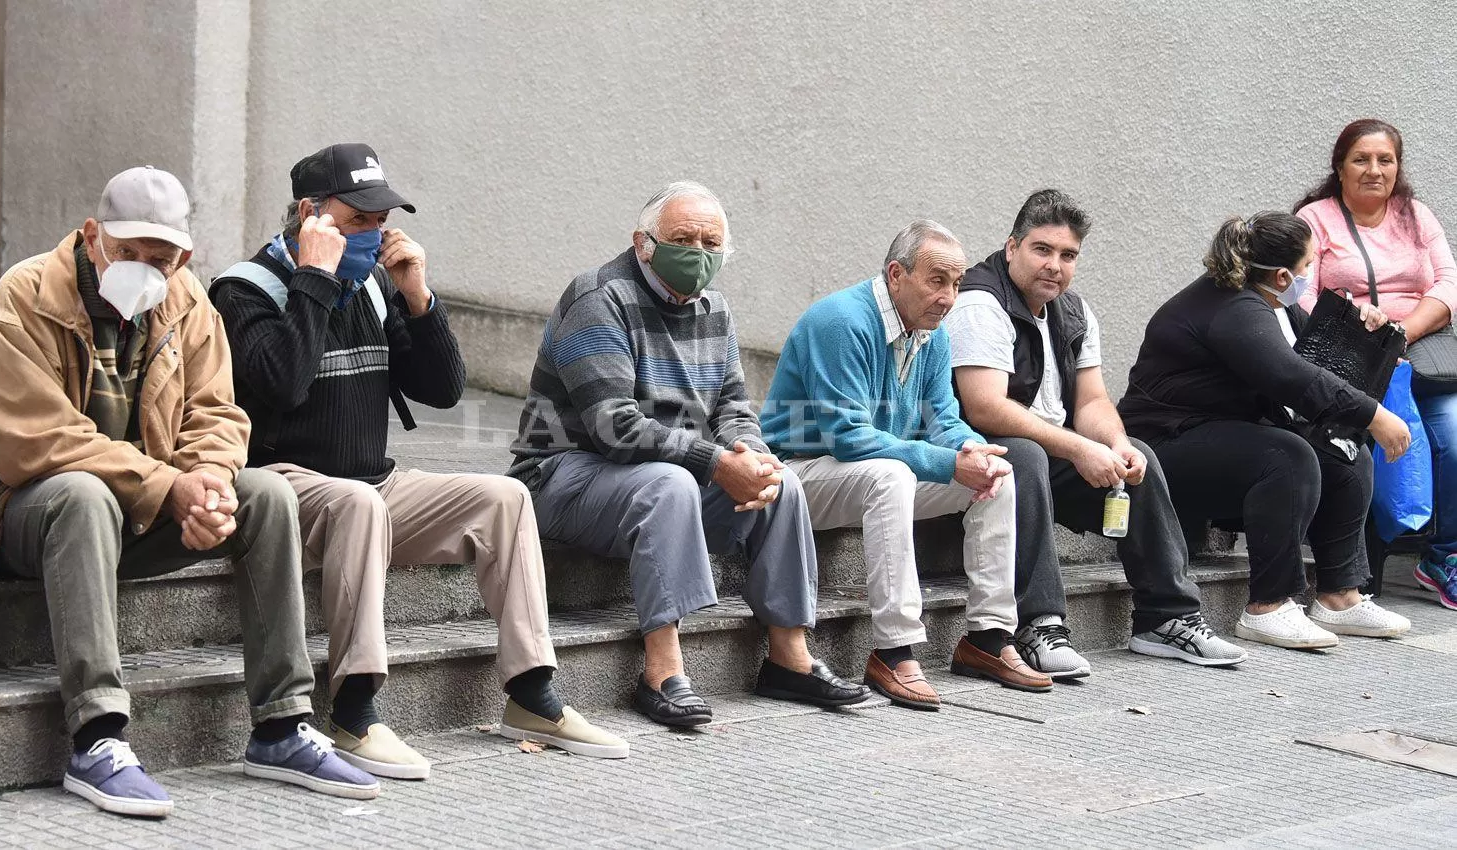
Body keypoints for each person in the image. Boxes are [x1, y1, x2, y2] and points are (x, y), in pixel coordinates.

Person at [0, 167, 377, 816]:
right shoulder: (27, 296)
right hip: (12, 518)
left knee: (264, 495)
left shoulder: (186, 301)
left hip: (131, 517)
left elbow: (217, 412)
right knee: (80, 493)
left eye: (162, 257)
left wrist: (208, 481)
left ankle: (280, 725)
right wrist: (168, 486)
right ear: (93, 234)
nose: (144, 267)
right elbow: (30, 442)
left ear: (184, 254)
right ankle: (97, 737)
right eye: (127, 252)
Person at [212, 143, 627, 774]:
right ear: (309, 215)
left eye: (380, 221)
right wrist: (314, 282)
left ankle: (532, 694)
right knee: (355, 503)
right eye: (358, 222)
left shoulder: (374, 287)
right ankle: (353, 714)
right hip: (282, 488)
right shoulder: (245, 291)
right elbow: (282, 386)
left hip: (375, 485)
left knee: (505, 497)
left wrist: (417, 297)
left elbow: (443, 391)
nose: (373, 235)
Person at [509, 181, 869, 727]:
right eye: (683, 238)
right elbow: (614, 427)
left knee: (783, 484)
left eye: (710, 242)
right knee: (670, 483)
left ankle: (789, 657)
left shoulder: (715, 310)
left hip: (653, 476)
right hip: (562, 476)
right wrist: (717, 463)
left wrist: (752, 456)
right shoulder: (596, 298)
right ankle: (662, 670)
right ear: (643, 243)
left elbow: (732, 407)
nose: (698, 254)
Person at [949, 190, 1246, 674]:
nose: (1055, 266)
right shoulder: (981, 303)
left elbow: (1091, 400)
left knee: (1138, 461)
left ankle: (1166, 619)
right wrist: (1079, 447)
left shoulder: (1074, 311)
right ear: (1011, 248)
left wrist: (1116, 444)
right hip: (979, 458)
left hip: (1050, 453)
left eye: (1068, 256)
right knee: (1023, 455)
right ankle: (1037, 625)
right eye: (1041, 250)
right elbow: (985, 408)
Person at [761, 219, 1051, 706]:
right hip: (795, 476)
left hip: (871, 476)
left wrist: (970, 451)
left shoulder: (932, 333)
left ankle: (988, 638)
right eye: (937, 280)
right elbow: (848, 437)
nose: (949, 296)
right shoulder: (842, 321)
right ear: (897, 274)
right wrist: (945, 461)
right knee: (892, 473)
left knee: (998, 474)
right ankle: (894, 650)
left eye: (956, 284)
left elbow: (944, 419)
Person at [1118, 211, 1414, 649]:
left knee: (1344, 451)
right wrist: (1374, 414)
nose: (1309, 275)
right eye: (1308, 267)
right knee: (1287, 455)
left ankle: (1339, 596)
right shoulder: (1232, 309)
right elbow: (1294, 378)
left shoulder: (1272, 303)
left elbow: (1316, 361)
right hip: (1162, 449)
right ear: (1280, 276)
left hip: (1219, 434)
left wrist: (1364, 330)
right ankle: (1268, 606)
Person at [1295, 118, 1457, 612]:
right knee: (1355, 443)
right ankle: (1355, 566)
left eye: (1385, 160)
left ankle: (1443, 556)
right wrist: (1358, 325)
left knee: (1452, 438)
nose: (1374, 170)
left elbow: (1448, 284)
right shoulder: (1315, 218)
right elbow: (1301, 294)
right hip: (1351, 357)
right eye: (1361, 159)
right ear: (1340, 166)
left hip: (1418, 353)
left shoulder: (1416, 215)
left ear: (1397, 167)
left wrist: (1403, 332)